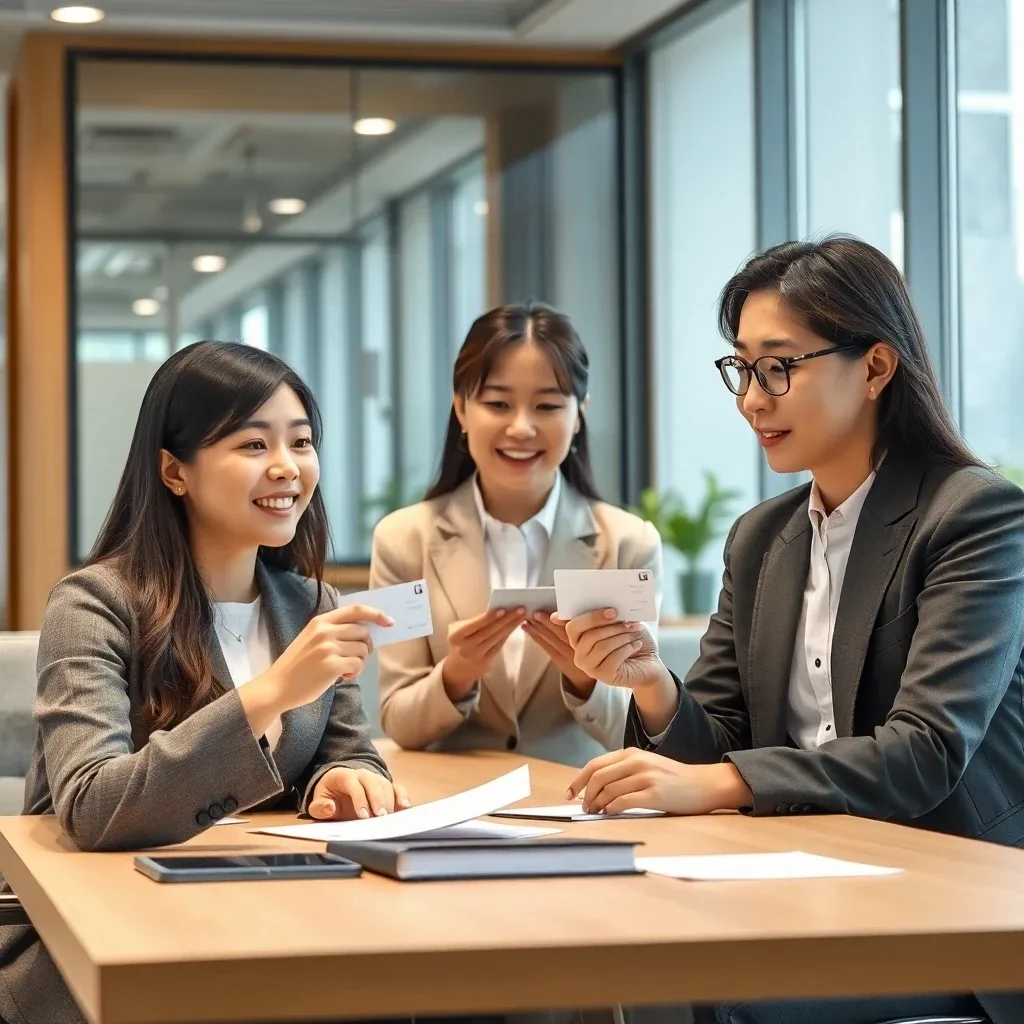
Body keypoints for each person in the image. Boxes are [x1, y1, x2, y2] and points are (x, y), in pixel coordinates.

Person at [561, 237, 1024, 1024]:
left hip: (953, 907)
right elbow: (718, 736)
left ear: (876, 368)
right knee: (613, 951)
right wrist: (651, 686)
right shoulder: (762, 537)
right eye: (741, 368)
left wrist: (719, 783)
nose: (752, 399)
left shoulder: (973, 515)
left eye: (779, 367)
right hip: (802, 877)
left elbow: (926, 751)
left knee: (714, 992)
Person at [0, 341, 408, 1024]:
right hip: (102, 940)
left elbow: (347, 750)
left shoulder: (309, 604)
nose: (287, 467)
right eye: (252, 445)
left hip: (270, 915)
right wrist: (270, 693)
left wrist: (342, 781)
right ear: (174, 471)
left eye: (301, 442)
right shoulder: (93, 603)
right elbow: (92, 808)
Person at [371, 302, 662, 766]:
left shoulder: (629, 543)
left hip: (582, 804)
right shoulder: (401, 539)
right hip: (450, 810)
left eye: (547, 405)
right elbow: (396, 719)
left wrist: (585, 677)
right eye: (498, 403)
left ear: (579, 413)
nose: (521, 427)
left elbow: (643, 727)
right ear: (461, 408)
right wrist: (458, 673)